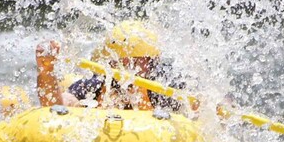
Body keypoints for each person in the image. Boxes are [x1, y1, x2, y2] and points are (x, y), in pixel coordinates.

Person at [36, 20, 186, 112]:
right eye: (120, 61)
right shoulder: (97, 84)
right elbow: (55, 107)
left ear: (151, 62)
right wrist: (46, 72)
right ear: (110, 62)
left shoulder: (165, 88)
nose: (127, 68)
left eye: (136, 61)